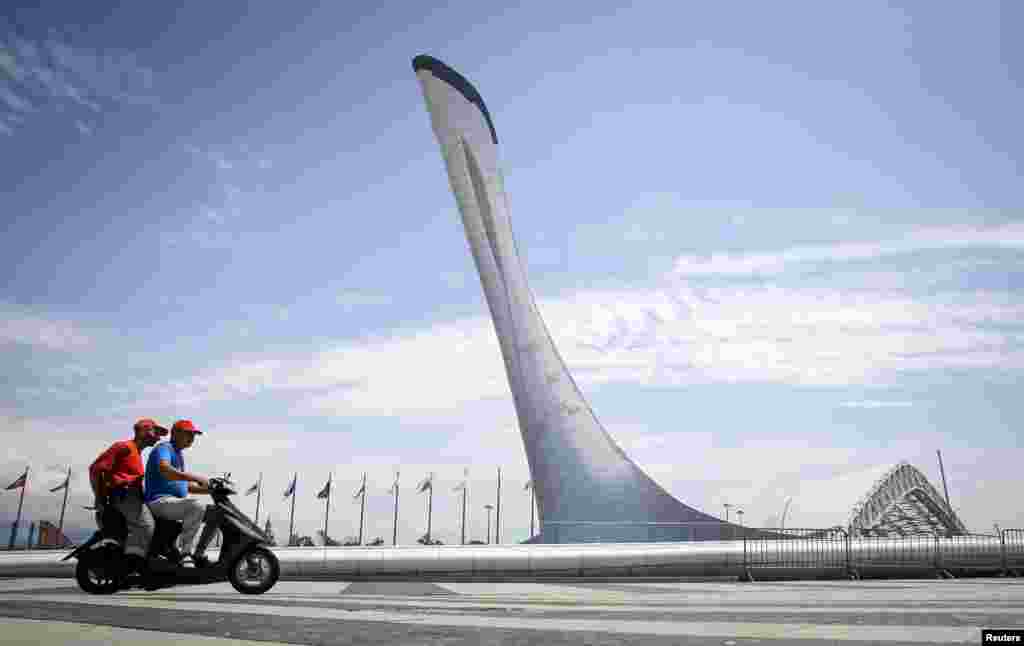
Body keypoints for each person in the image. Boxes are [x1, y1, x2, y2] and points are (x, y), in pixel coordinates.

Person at [89, 418, 168, 575]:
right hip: (125, 495)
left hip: (133, 496)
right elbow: (95, 469)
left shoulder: (136, 452)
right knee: (145, 526)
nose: (158, 437)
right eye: (155, 432)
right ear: (143, 431)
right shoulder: (124, 447)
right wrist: (99, 497)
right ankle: (132, 565)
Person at [144, 419, 218, 567]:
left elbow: (184, 485)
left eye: (194, 435)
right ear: (175, 433)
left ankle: (199, 554)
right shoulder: (164, 448)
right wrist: (195, 477)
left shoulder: (178, 454)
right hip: (159, 501)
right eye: (188, 434)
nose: (192, 438)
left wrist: (211, 489)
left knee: (218, 514)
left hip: (173, 503)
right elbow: (165, 470)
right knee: (196, 507)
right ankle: (185, 553)